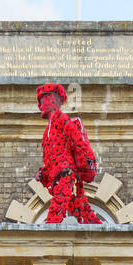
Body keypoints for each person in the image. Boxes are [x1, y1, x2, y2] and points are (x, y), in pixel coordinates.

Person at [35, 83, 102, 225]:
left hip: (66, 175)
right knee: (81, 209)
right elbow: (50, 159)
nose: (40, 105)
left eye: (42, 100)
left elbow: (78, 142)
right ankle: (97, 229)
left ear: (52, 100)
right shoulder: (47, 131)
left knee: (56, 209)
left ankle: (50, 234)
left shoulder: (62, 119)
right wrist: (44, 173)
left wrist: (85, 164)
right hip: (57, 177)